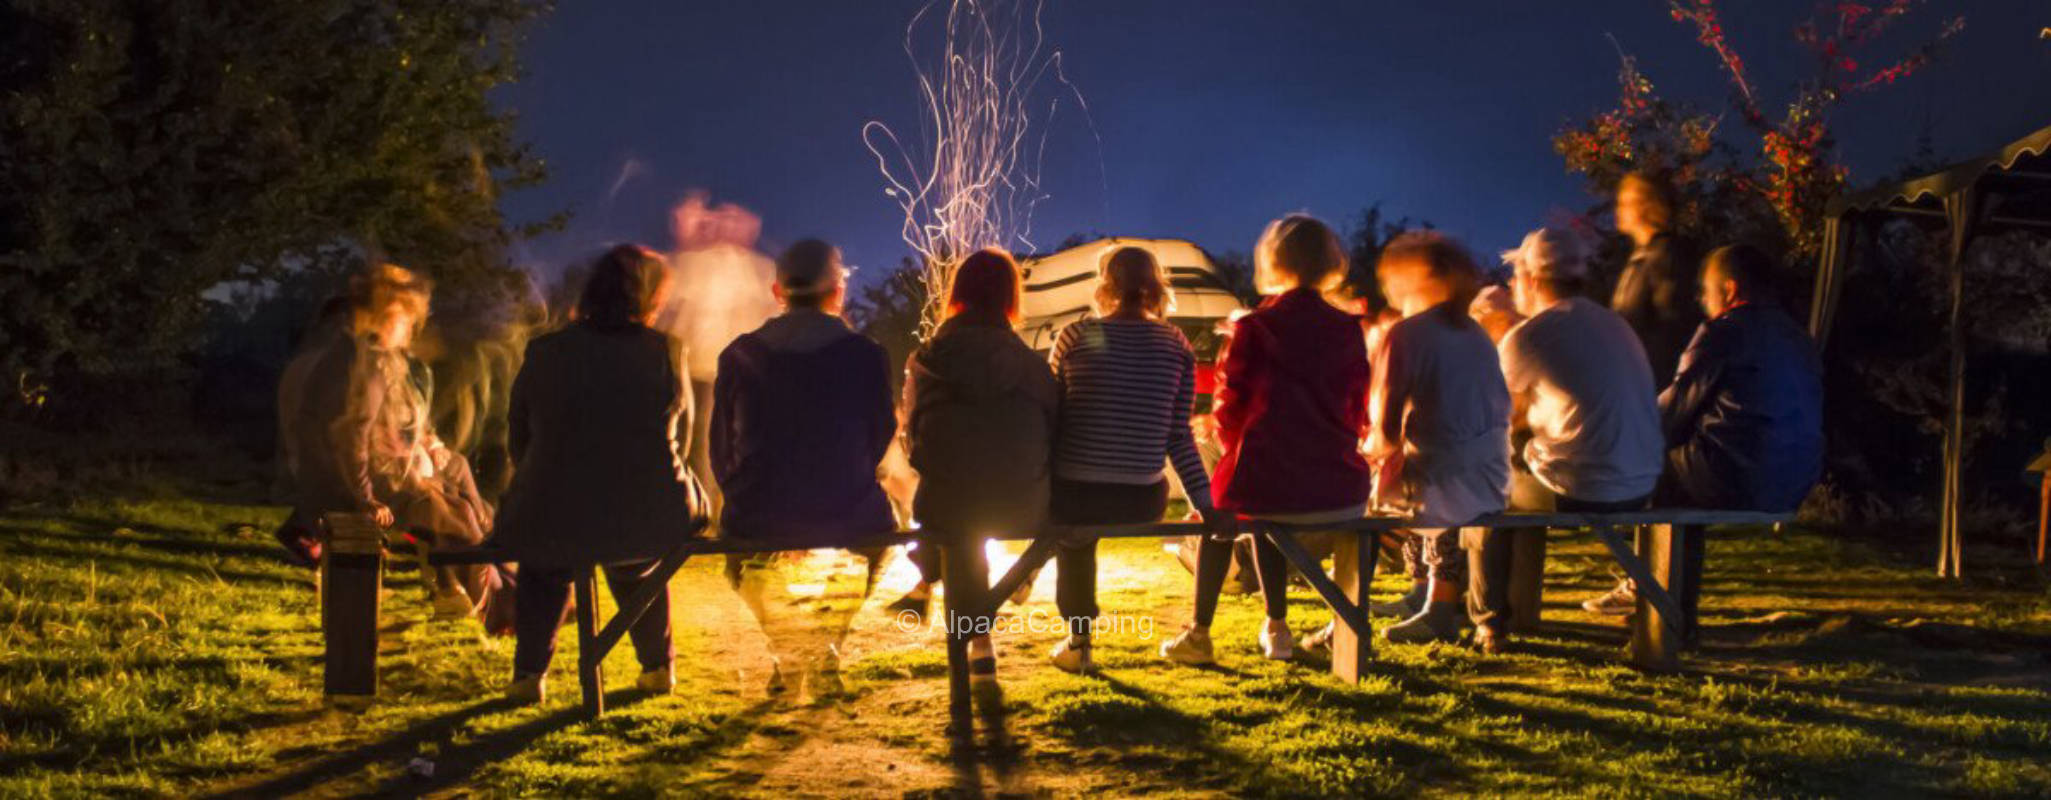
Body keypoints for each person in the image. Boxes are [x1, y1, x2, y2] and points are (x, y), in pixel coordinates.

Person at [494, 245, 708, 703]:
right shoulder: (665, 350)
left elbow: (518, 437)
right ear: (651, 299)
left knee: (545, 569)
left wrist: (547, 477)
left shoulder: (545, 351)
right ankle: (656, 667)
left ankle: (528, 675)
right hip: (646, 514)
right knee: (639, 564)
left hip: (552, 512)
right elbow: (682, 438)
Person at [1160, 216, 1367, 665]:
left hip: (1272, 481)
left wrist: (1231, 443)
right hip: (1341, 488)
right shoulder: (1349, 329)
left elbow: (1229, 407)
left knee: (1221, 510)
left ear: (1272, 260)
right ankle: (1276, 628)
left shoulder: (1255, 328)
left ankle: (1201, 633)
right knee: (1256, 502)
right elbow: (1357, 409)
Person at [1592, 244, 1822, 641]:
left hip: (1737, 473)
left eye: (1705, 291)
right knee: (1678, 475)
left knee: (1657, 475)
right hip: (1795, 476)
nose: (1702, 301)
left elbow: (1674, 408)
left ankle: (1660, 615)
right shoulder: (1796, 335)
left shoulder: (1723, 331)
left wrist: (1617, 436)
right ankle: (1661, 601)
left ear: (1729, 289)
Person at [1021, 246, 1224, 673]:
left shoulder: (1074, 337)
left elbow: (1054, 416)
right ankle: (1038, 574)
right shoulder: (1176, 346)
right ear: (1157, 287)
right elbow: (1177, 436)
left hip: (1074, 494)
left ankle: (1079, 641)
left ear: (1104, 287)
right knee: (1080, 520)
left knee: (1073, 535)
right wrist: (1204, 504)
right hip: (1140, 498)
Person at [710, 238, 897, 689]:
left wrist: (743, 491)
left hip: (758, 508)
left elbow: (721, 447)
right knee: (881, 541)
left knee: (736, 556)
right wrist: (849, 474)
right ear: (837, 292)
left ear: (777, 292)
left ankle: (782, 650)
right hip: (846, 506)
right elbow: (881, 433)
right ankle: (831, 644)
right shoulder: (865, 354)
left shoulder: (740, 355)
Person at [1469, 229, 1663, 653]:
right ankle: (1519, 610)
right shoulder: (1616, 325)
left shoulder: (1530, 336)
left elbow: (1495, 419)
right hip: (1642, 483)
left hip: (1581, 487)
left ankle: (1489, 622)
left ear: (1533, 280)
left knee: (1485, 483)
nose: (1511, 287)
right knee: (1520, 471)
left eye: (1515, 277)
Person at [289, 264, 507, 626]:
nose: (412, 329)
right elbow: (350, 439)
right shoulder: (362, 366)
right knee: (458, 516)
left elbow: (384, 427)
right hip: (348, 487)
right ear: (386, 318)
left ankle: (472, 595)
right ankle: (480, 605)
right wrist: (365, 498)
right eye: (406, 320)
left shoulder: (370, 357)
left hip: (366, 478)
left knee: (460, 508)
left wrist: (422, 447)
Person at [899, 248, 1059, 677]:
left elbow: (913, 440)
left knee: (957, 509)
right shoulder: (1031, 366)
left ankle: (975, 641)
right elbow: (1055, 427)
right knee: (971, 503)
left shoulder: (925, 361)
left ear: (957, 293)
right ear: (1010, 297)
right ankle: (986, 625)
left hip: (948, 504)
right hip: (1023, 503)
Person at [1368, 231, 1510, 644]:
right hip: (1493, 471)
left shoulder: (1408, 333)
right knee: (1417, 473)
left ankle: (1438, 607)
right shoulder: (1476, 334)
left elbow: (1387, 417)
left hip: (1444, 470)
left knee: (1398, 480)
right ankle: (1421, 593)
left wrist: (1376, 450)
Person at [1611, 170, 1705, 387]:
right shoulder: (1641, 258)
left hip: (1651, 388)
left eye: (1625, 202)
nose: (1619, 209)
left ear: (1645, 205)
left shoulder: (1665, 257)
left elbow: (1672, 330)